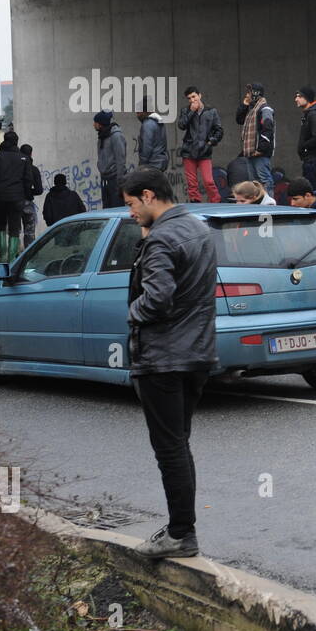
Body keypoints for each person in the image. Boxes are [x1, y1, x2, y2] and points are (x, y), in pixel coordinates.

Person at [123, 168, 218, 560]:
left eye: (131, 205)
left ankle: (180, 533)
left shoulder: (161, 238)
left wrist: (133, 312)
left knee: (169, 449)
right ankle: (182, 529)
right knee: (179, 444)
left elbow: (157, 299)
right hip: (197, 353)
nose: (129, 213)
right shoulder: (198, 228)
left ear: (148, 195)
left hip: (163, 357)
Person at [0, 130, 33, 262]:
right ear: (16, 142)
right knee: (14, 227)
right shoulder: (24, 158)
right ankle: (11, 259)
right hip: (17, 198)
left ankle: (3, 256)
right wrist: (26, 195)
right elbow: (28, 179)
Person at [179, 85, 223, 203]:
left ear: (200, 95)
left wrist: (211, 142)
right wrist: (191, 112)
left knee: (208, 181)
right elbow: (181, 125)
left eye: (194, 96)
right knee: (192, 184)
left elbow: (219, 130)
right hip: (189, 151)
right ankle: (195, 204)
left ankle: (216, 202)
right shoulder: (185, 110)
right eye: (189, 98)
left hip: (205, 151)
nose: (192, 100)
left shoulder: (211, 111)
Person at [235, 82, 276, 195]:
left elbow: (267, 128)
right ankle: (258, 208)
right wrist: (244, 105)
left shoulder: (265, 109)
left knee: (265, 180)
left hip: (260, 153)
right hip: (251, 152)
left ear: (255, 94)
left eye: (249, 93)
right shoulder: (251, 110)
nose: (247, 95)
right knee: (254, 184)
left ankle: (270, 208)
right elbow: (239, 120)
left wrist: (261, 149)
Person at [295, 85, 316, 193]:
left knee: (315, 192)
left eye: (299, 96)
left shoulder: (314, 114)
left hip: (314, 161)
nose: (296, 99)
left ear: (307, 98)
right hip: (311, 160)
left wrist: (304, 147)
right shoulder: (309, 114)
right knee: (312, 192)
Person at [94, 109, 127, 209]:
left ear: (101, 124)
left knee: (116, 208)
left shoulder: (116, 136)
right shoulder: (102, 136)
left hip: (115, 179)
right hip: (105, 178)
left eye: (95, 122)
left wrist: (120, 182)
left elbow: (120, 160)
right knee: (107, 208)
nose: (93, 125)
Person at [17, 143, 45, 248]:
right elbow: (39, 190)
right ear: (31, 154)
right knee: (29, 232)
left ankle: (14, 256)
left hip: (15, 202)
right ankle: (28, 256)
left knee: (15, 232)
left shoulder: (15, 168)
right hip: (28, 203)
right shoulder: (34, 169)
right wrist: (29, 191)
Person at [136, 98, 169, 171]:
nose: (137, 115)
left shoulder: (147, 125)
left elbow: (146, 147)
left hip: (152, 165)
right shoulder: (159, 122)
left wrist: (142, 165)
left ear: (145, 112)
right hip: (160, 163)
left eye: (138, 112)